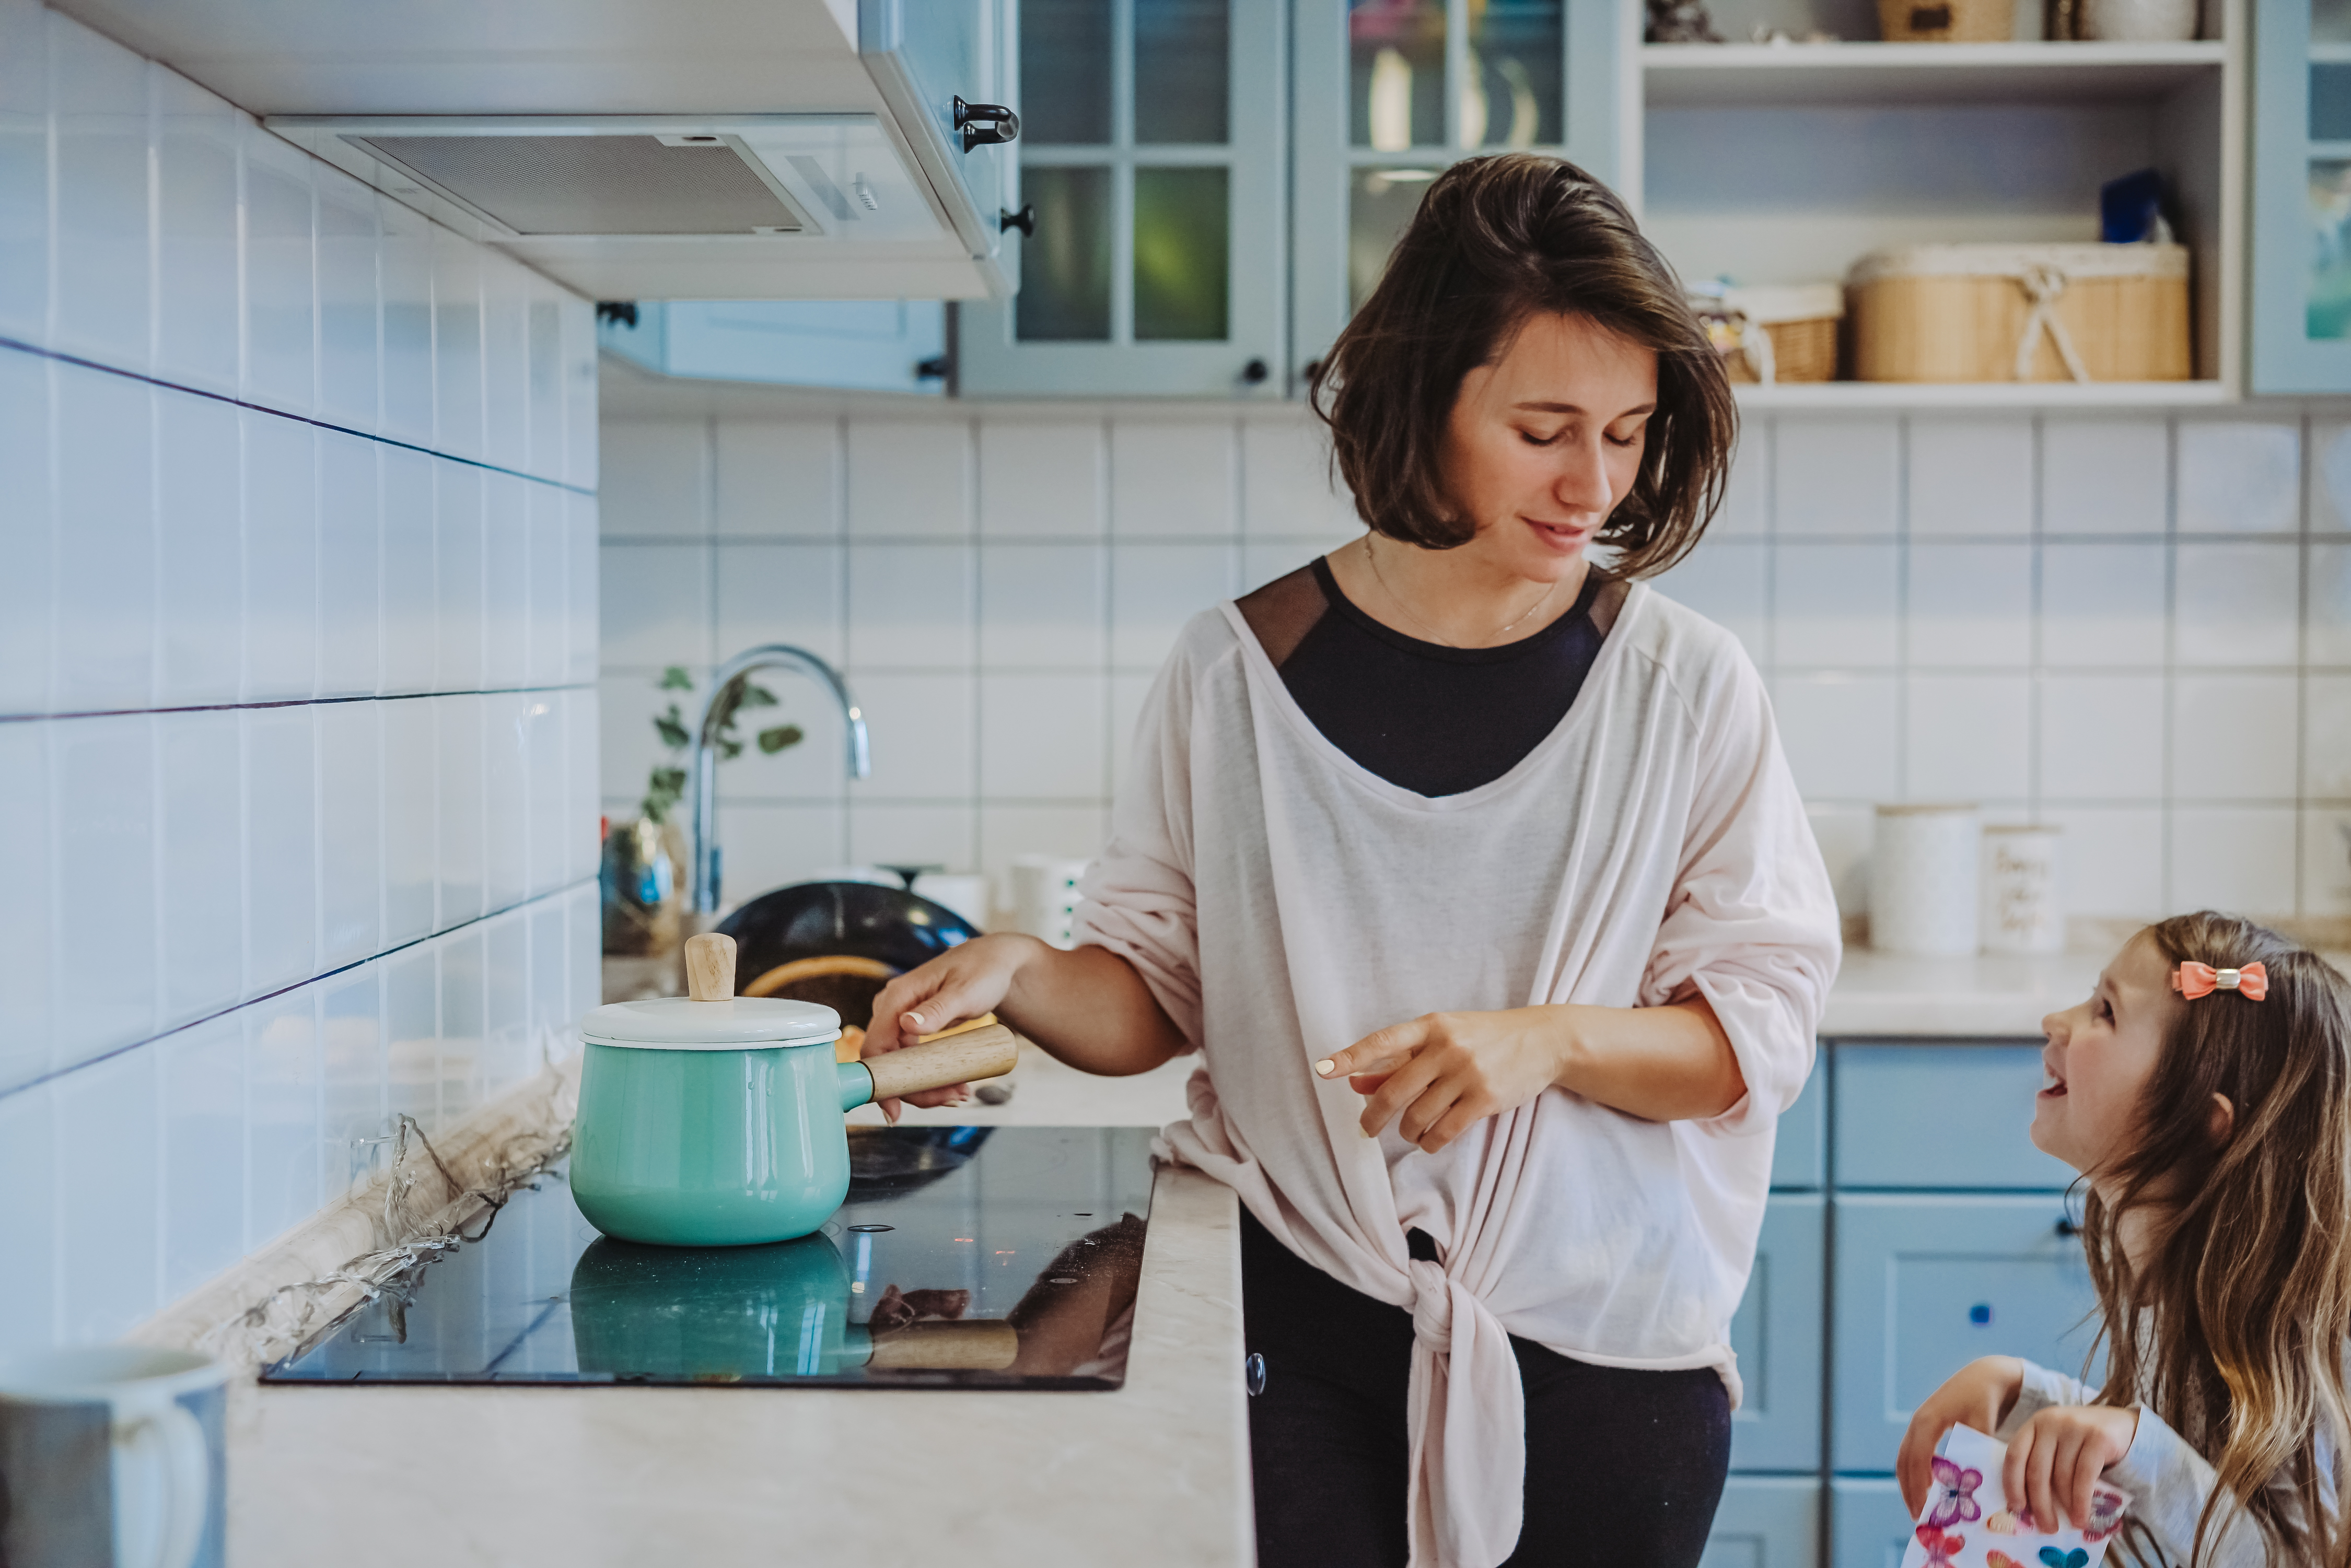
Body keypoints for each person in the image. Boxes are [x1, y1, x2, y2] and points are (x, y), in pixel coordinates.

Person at [860, 152, 1842, 1568]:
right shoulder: (1233, 675)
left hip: (1604, 1347)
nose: (1592, 484)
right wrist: (1023, 968)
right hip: (1295, 1319)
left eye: (1625, 433)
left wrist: (1544, 1043)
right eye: (1544, 428)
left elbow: (1749, 1039)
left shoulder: (1685, 688)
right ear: (1423, 399)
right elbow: (1157, 995)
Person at [1898, 912, 2351, 1568]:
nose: (2058, 1018)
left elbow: (2295, 1556)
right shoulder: (2175, 1279)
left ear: (2200, 1121)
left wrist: (2142, 1451)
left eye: (2105, 1011)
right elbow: (2191, 1468)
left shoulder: (2289, 1336)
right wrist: (2028, 1392)